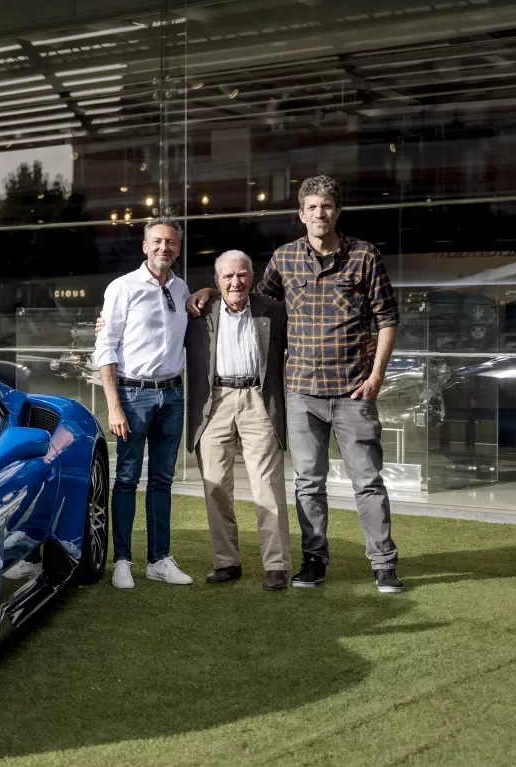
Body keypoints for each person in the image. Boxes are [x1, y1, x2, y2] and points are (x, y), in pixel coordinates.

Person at [189, 175, 404, 594]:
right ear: (301, 214)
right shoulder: (285, 259)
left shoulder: (365, 255)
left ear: (337, 212)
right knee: (308, 484)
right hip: (302, 393)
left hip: (353, 391)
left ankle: (383, 563)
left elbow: (387, 318)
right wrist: (210, 290)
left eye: (327, 206)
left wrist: (377, 375)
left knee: (367, 481)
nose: (320, 213)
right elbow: (250, 299)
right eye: (312, 207)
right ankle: (314, 561)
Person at [94, 217, 193, 590]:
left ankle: (158, 560)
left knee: (162, 480)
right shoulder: (123, 287)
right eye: (157, 241)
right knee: (126, 479)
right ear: (145, 246)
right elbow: (105, 346)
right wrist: (113, 405)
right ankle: (122, 561)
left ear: (178, 248)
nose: (164, 247)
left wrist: (208, 292)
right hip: (133, 395)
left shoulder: (182, 289)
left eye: (171, 242)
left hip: (173, 394)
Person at [184, 250, 290, 591]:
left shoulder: (273, 310)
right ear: (216, 281)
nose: (235, 282)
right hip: (214, 402)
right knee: (215, 485)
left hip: (259, 399)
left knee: (267, 485)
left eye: (242, 274)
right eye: (228, 276)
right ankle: (226, 562)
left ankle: (276, 565)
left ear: (252, 277)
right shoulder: (198, 313)